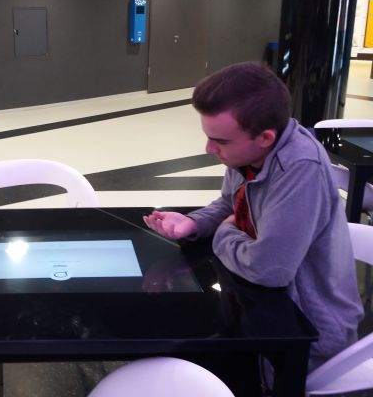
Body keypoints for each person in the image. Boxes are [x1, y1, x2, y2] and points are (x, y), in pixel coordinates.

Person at [144, 62, 363, 374]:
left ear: (265, 138)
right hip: (253, 307)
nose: (208, 149)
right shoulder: (248, 154)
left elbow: (269, 270)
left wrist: (223, 233)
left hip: (306, 337)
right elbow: (229, 204)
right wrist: (194, 222)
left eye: (220, 141)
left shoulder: (301, 170)